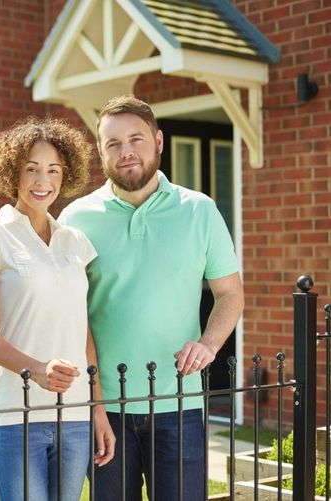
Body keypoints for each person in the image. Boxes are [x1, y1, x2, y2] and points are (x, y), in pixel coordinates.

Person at [57, 95, 245, 501]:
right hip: (105, 408)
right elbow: (65, 309)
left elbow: (230, 293)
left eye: (136, 140)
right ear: (101, 152)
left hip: (180, 402)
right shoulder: (75, 219)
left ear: (158, 141)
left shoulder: (200, 210)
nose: (126, 153)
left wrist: (210, 344)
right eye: (113, 144)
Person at [0, 116, 115, 501]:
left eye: (52, 170)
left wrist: (97, 409)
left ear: (67, 174)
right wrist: (37, 371)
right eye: (31, 169)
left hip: (76, 413)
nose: (42, 181)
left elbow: (82, 330)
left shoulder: (75, 241)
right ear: (13, 173)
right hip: (18, 412)